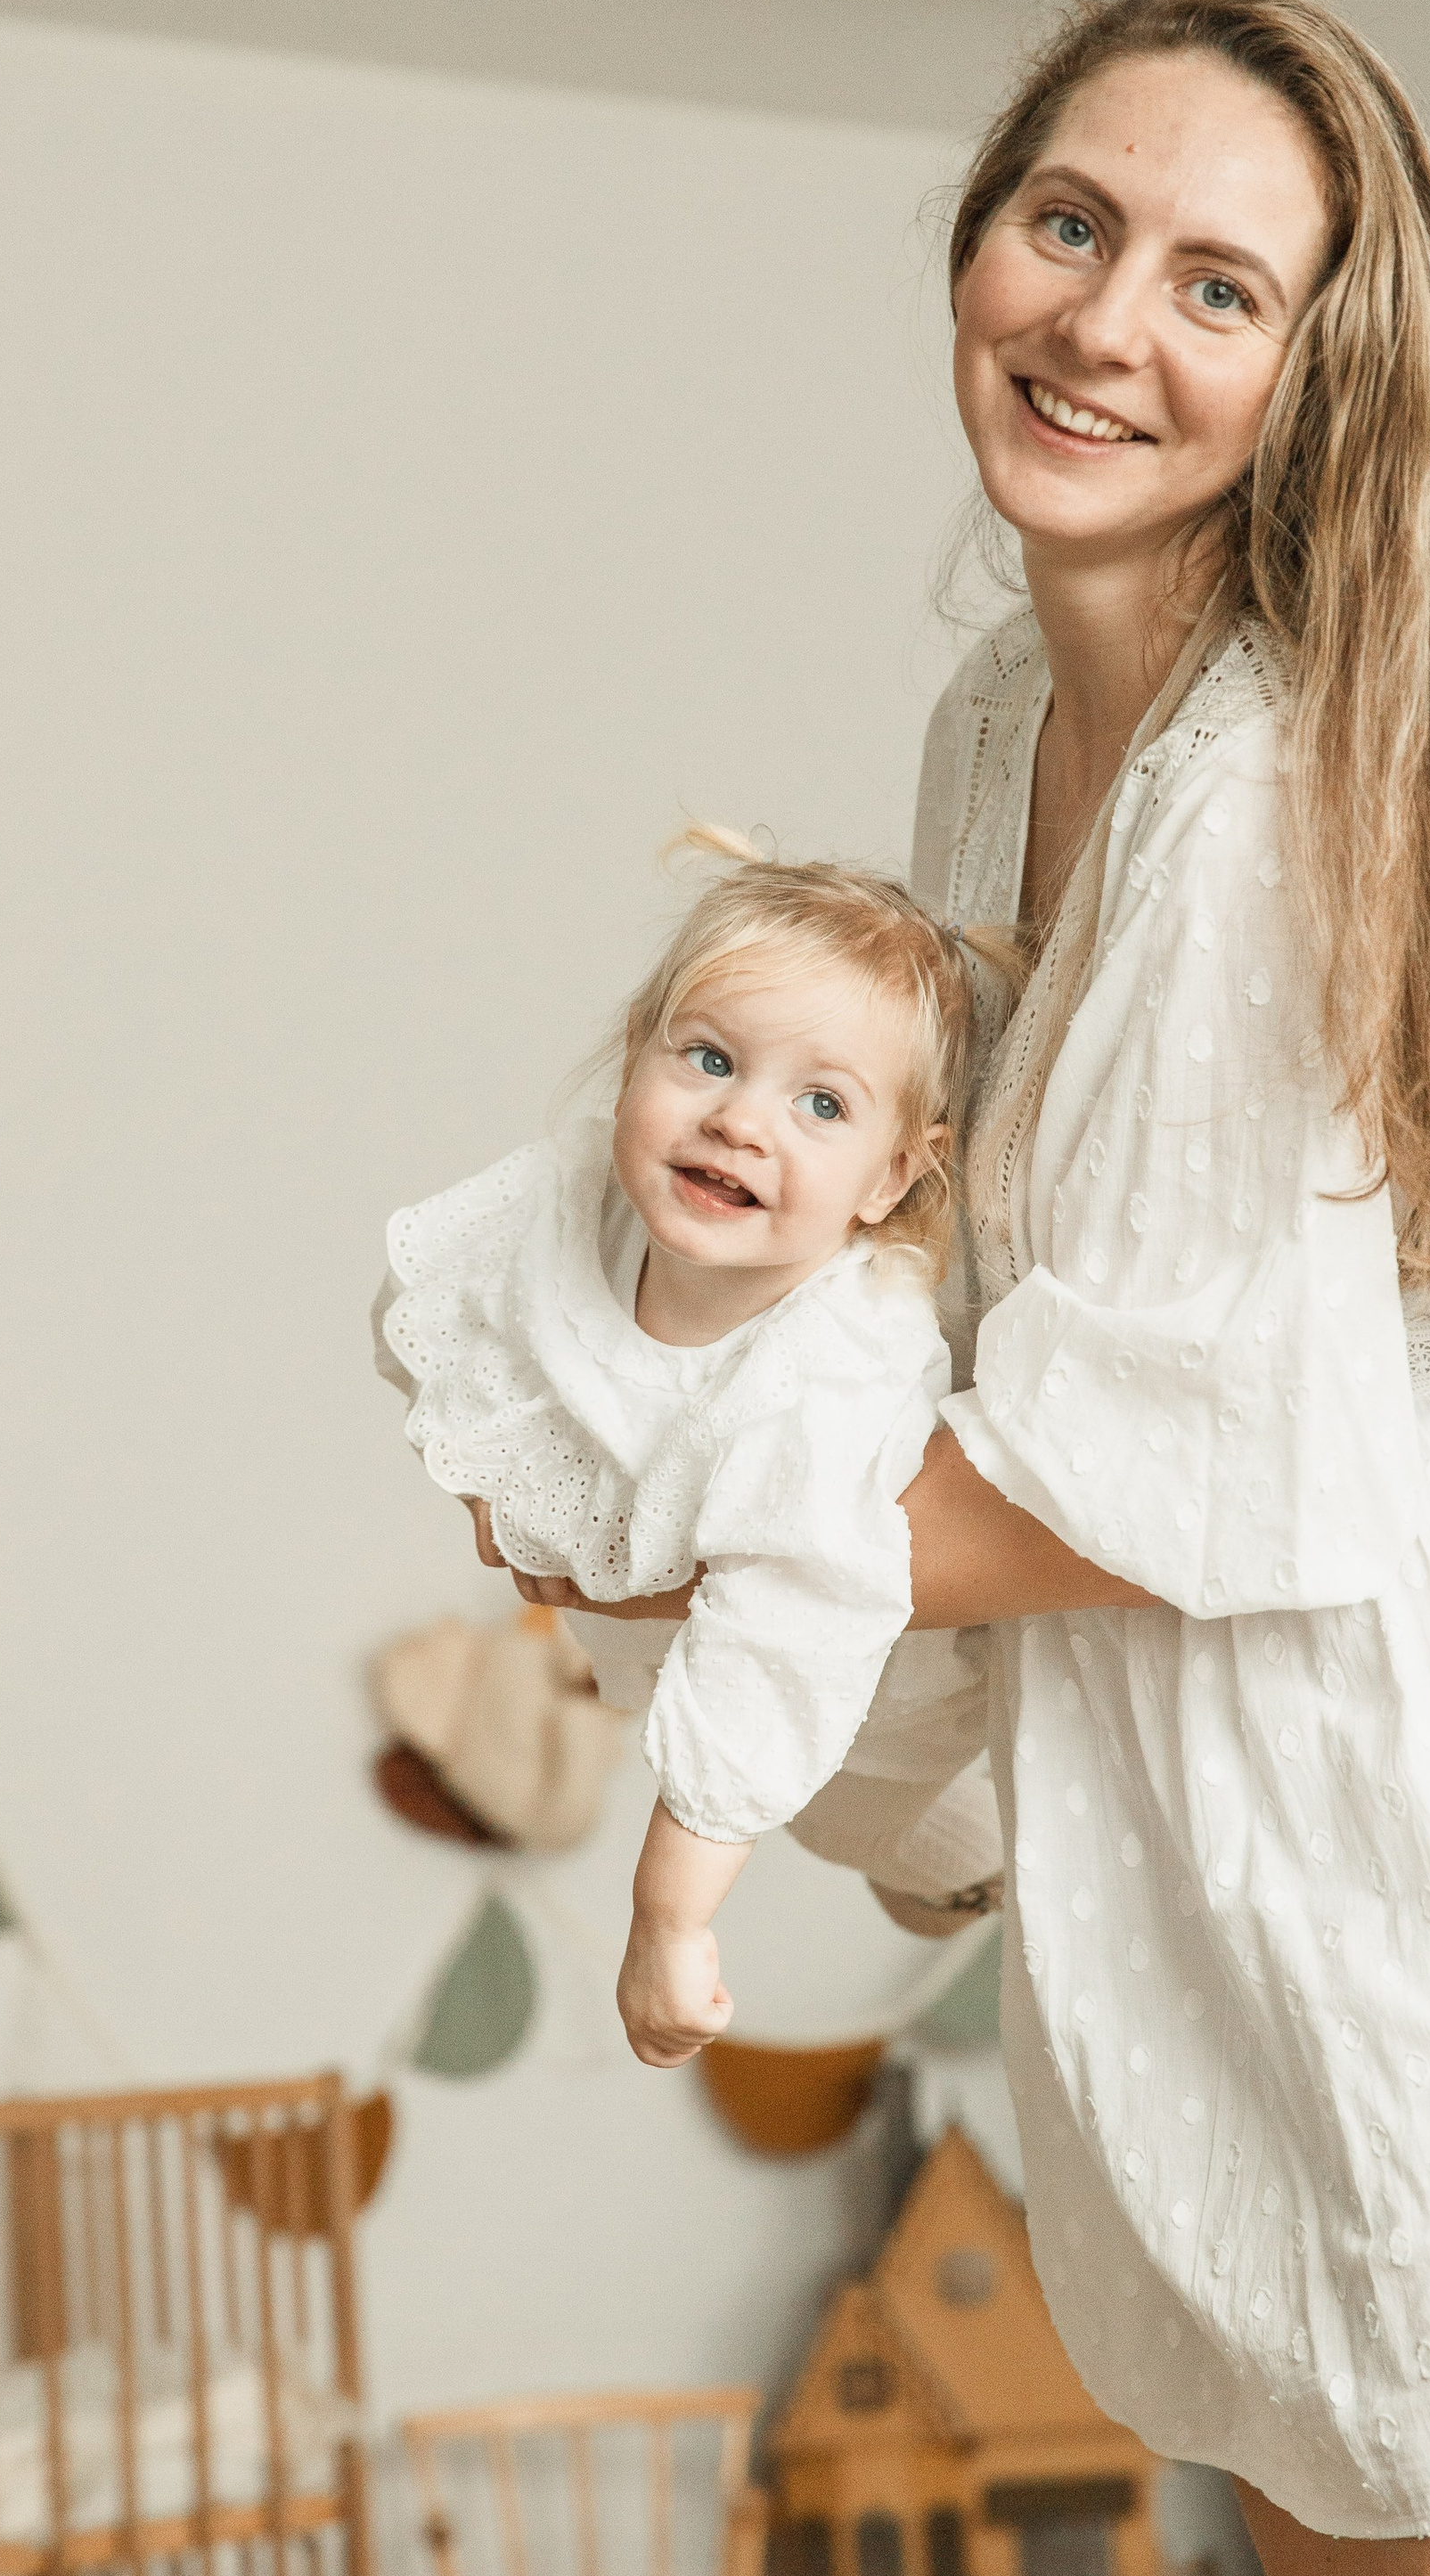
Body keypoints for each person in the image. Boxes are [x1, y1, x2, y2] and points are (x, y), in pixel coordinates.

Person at [486, 0, 1430, 2576]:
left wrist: (703, 1544)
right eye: (1070, 225)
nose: (1105, 324)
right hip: (1256, 1852)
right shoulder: (1006, 731)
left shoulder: (1261, 788)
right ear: (980, 231)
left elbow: (1213, 1457)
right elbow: (971, 1311)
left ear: (1315, 375)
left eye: (1218, 287)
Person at [374, 830, 1013, 2066]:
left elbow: (777, 1653)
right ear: (633, 1063)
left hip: (901, 1738)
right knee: (847, 1841)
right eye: (710, 1059)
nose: (740, 1121)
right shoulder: (572, 1211)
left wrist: (668, 1921)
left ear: (892, 1178)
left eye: (819, 1104)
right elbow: (432, 1314)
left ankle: (971, 1886)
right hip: (728, 1723)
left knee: (930, 1856)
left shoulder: (836, 1369)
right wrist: (492, 1486)